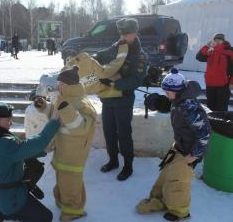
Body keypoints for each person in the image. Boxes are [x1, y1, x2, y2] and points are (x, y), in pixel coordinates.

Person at [136, 69, 211, 221]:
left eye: (167, 92)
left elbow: (204, 133)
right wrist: (157, 102)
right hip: (180, 145)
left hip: (189, 152)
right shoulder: (179, 100)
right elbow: (172, 105)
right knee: (166, 173)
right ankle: (160, 199)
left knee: (177, 181)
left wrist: (194, 155)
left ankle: (180, 212)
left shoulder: (189, 108)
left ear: (177, 91)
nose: (166, 94)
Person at [34, 66, 97, 221]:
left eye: (61, 84)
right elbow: (55, 115)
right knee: (62, 181)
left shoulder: (82, 103)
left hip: (74, 154)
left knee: (71, 184)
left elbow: (81, 127)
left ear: (69, 85)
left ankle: (73, 211)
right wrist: (44, 106)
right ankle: (63, 203)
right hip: (62, 151)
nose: (58, 87)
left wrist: (67, 111)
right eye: (59, 84)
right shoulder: (64, 98)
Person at [0, 102, 60, 222]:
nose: (11, 122)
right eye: (8, 119)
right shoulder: (4, 145)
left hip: (0, 191)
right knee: (46, 217)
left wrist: (43, 151)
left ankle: (20, 198)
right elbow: (39, 141)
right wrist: (55, 121)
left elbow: (21, 150)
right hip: (8, 198)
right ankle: (7, 214)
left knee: (35, 166)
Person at [96, 18, 146, 181]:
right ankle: (113, 160)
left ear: (135, 32)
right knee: (109, 132)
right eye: (122, 34)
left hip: (123, 100)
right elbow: (103, 55)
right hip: (108, 100)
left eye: (127, 34)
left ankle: (128, 165)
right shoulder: (117, 46)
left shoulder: (140, 55)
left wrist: (114, 83)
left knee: (124, 134)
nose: (124, 37)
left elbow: (136, 80)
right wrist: (92, 59)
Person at [197, 33, 233, 111]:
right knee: (210, 107)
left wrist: (231, 82)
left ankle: (222, 123)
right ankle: (211, 122)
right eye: (215, 40)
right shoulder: (210, 50)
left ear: (223, 41)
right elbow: (199, 57)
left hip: (223, 85)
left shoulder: (229, 51)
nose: (217, 41)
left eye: (219, 40)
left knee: (221, 108)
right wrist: (206, 46)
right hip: (210, 84)